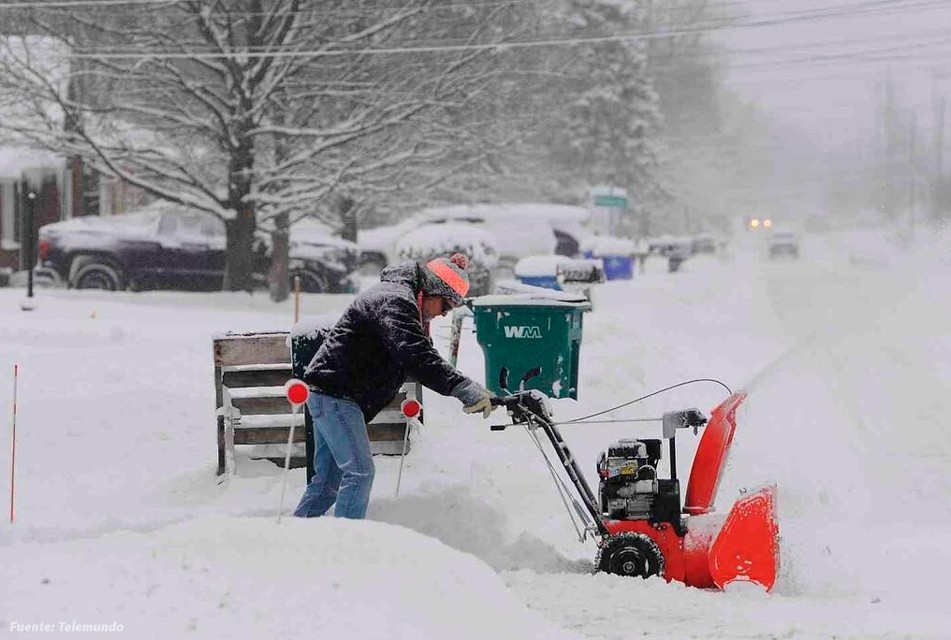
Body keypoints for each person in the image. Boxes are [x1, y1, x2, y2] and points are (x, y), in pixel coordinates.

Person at [294, 253, 496, 520]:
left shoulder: (403, 302)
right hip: (335, 394)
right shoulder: (394, 300)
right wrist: (464, 389)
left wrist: (468, 387)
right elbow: (418, 356)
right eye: (446, 304)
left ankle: (292, 539)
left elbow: (423, 355)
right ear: (432, 290)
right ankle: (344, 545)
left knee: (327, 486)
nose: (445, 313)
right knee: (360, 473)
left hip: (331, 393)